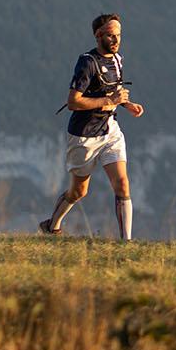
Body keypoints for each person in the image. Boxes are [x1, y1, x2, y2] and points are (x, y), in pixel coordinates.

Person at [40, 13, 146, 239]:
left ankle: (126, 242)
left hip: (110, 131)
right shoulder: (87, 62)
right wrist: (110, 101)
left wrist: (127, 104)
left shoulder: (118, 60)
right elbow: (73, 102)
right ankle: (52, 225)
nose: (116, 40)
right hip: (84, 136)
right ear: (98, 36)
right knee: (79, 191)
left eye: (118, 35)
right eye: (110, 35)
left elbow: (113, 91)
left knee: (123, 184)